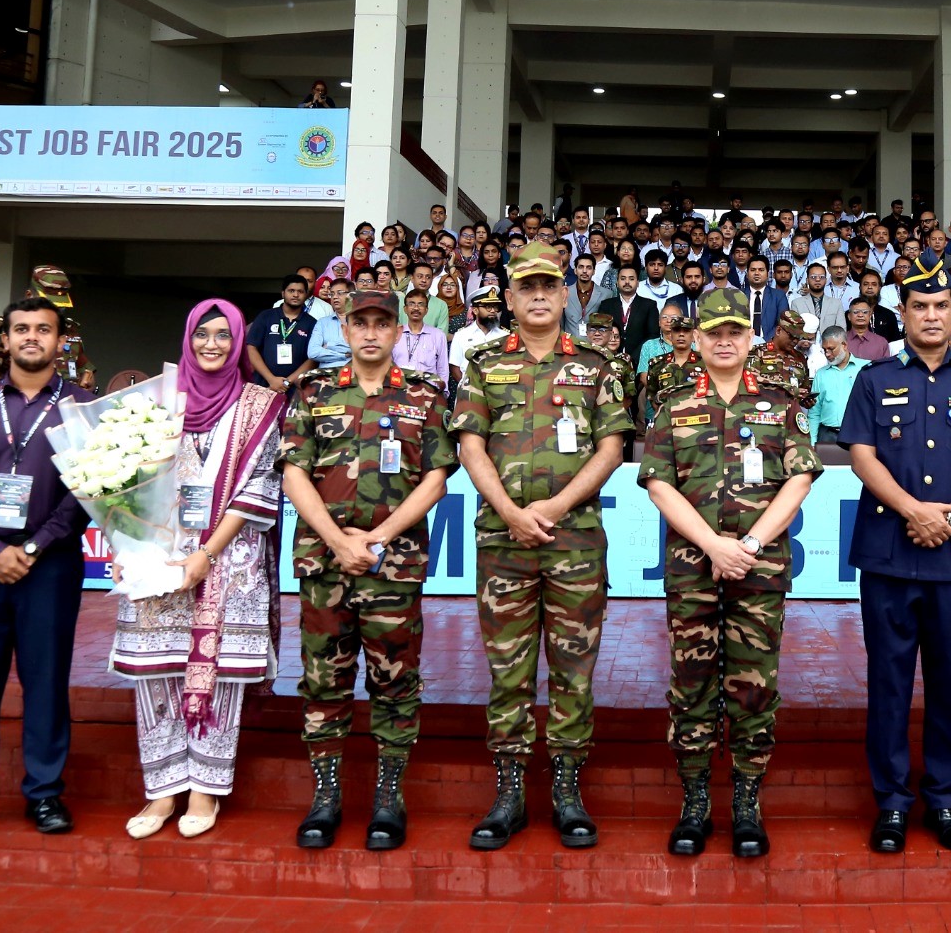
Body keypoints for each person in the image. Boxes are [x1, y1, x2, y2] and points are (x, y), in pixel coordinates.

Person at [453, 242, 634, 852]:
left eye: (548, 286)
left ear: (563, 295)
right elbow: (470, 446)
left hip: (573, 542)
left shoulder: (597, 365)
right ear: (508, 298)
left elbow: (612, 448)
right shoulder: (483, 364)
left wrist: (551, 511)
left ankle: (566, 788)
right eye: (526, 287)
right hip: (502, 541)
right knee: (507, 669)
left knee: (573, 670)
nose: (537, 296)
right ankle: (508, 793)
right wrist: (510, 513)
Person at [638, 288, 820, 858]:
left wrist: (749, 544)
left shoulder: (780, 403)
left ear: (750, 338)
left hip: (759, 568)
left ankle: (746, 802)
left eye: (734, 332)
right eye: (713, 332)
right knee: (690, 681)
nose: (723, 341)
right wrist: (713, 545)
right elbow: (658, 483)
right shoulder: (673, 405)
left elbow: (799, 478)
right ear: (696, 339)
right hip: (693, 567)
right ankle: (695, 801)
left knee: (754, 685)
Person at [840, 252, 951, 855]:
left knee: (950, 682)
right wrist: (914, 510)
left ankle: (943, 799)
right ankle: (890, 801)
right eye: (920, 306)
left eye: (941, 305)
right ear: (903, 314)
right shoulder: (873, 379)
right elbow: (861, 455)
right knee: (888, 681)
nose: (931, 316)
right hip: (890, 552)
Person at [279, 289, 457, 851]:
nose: (372, 332)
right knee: (323, 681)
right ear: (345, 329)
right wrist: (338, 541)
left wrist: (375, 539)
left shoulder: (424, 395)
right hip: (325, 564)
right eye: (361, 323)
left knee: (395, 682)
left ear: (399, 331)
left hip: (392, 566)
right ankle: (326, 797)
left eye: (383, 323)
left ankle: (388, 797)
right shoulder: (313, 392)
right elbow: (293, 472)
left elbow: (436, 479)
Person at [112, 300, 285, 840]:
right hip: (159, 557)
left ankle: (206, 788)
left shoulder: (261, 404)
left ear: (238, 343)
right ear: (187, 340)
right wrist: (126, 541)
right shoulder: (157, 402)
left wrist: (206, 553)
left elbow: (261, 485)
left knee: (222, 675)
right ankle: (162, 790)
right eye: (202, 334)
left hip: (230, 561)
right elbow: (128, 483)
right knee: (157, 673)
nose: (212, 344)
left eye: (223, 335)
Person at [0, 296, 94, 840]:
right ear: (4, 340)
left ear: (61, 341)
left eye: (43, 329)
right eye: (22, 328)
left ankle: (45, 794)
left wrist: (34, 547)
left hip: (50, 566)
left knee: (46, 680)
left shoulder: (82, 408)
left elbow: (88, 489)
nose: (32, 336)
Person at [0, 266, 98, 389]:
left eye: (60, 307)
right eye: (47, 306)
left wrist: (87, 384)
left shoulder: (68, 330)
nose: (54, 312)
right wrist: (19, 392)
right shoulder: (3, 328)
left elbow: (86, 371)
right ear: (29, 296)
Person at [246, 274, 317, 394]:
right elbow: (251, 347)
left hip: (297, 390)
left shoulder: (312, 323)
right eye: (291, 291)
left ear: (306, 295)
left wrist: (286, 383)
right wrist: (271, 379)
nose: (296, 295)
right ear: (283, 293)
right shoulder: (265, 317)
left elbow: (313, 358)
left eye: (300, 291)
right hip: (264, 385)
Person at [807, 326, 867, 445]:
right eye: (824, 349)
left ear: (844, 345)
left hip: (858, 434)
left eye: (831, 349)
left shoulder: (865, 369)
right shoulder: (821, 374)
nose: (827, 354)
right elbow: (814, 412)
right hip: (827, 434)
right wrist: (812, 443)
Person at [597, 264, 661, 359]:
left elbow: (653, 335)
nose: (627, 282)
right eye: (623, 279)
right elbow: (600, 332)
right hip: (609, 359)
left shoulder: (649, 305)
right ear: (617, 283)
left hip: (639, 359)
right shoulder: (606, 305)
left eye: (631, 279)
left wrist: (633, 357)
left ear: (638, 283)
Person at [644, 315, 702, 417]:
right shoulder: (657, 365)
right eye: (677, 330)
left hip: (698, 420)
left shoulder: (705, 363)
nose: (681, 334)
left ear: (693, 336)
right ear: (671, 335)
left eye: (686, 331)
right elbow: (653, 398)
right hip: (667, 420)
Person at [393, 290, 450, 386]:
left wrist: (443, 392)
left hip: (428, 390)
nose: (416, 308)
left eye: (421, 304)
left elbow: (443, 369)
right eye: (411, 304)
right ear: (405, 309)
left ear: (426, 310)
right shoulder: (395, 334)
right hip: (399, 389)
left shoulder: (438, 335)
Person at [307, 278, 355, 370]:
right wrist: (344, 355)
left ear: (351, 295)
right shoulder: (322, 322)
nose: (335, 297)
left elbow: (360, 350)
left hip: (354, 373)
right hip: (326, 374)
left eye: (340, 293)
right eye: (332, 294)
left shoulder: (360, 321)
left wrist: (329, 345)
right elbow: (313, 353)